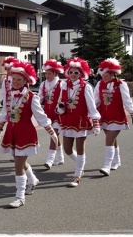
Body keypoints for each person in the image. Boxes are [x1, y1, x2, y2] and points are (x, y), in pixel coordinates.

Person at [0, 60, 58, 208]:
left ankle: (20, 196)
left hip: (25, 133)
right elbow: (5, 113)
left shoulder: (32, 97)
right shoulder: (9, 95)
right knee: (20, 162)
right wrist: (0, 127)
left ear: (26, 81)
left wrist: (51, 132)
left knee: (18, 165)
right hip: (12, 131)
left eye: (19, 79)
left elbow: (41, 116)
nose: (15, 82)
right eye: (14, 79)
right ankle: (33, 179)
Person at [55, 57, 101, 187]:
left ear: (81, 74)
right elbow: (59, 103)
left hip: (81, 121)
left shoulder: (85, 87)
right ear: (67, 73)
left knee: (80, 149)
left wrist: (96, 122)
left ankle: (77, 175)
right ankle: (80, 165)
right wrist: (60, 108)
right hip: (67, 120)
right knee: (67, 149)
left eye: (76, 72)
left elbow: (91, 106)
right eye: (71, 72)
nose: (73, 75)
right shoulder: (64, 86)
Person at [94, 58, 133, 176]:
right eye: (102, 74)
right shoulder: (100, 84)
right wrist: (91, 113)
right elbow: (96, 101)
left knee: (109, 140)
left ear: (113, 73)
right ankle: (117, 161)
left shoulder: (120, 84)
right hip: (105, 117)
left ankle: (106, 165)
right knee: (112, 140)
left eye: (106, 75)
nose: (104, 77)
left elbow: (127, 100)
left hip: (117, 116)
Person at [38, 59, 65, 169]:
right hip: (47, 113)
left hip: (58, 113)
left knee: (54, 135)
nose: (47, 76)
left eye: (49, 74)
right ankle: (61, 157)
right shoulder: (43, 84)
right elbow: (39, 97)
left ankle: (49, 160)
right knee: (53, 135)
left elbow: (63, 98)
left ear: (55, 73)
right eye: (46, 74)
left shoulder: (61, 84)